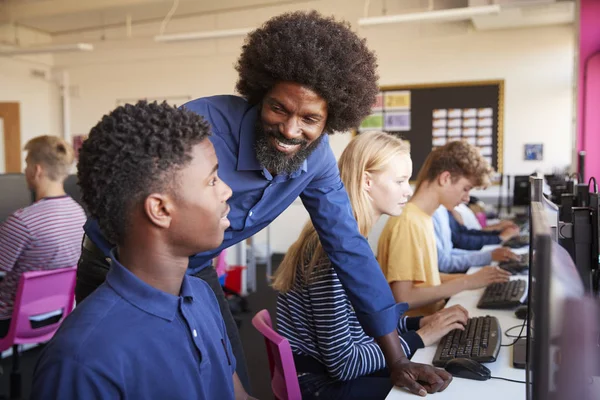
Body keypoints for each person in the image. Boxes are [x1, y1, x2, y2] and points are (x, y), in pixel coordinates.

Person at [73, 11, 451, 395]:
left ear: (330, 120)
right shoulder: (203, 129)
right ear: (259, 94)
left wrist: (396, 360)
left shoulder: (316, 159)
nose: (290, 130)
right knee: (141, 380)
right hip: (117, 264)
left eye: (309, 118)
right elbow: (136, 199)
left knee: (231, 372)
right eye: (278, 109)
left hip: (196, 272)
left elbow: (348, 247)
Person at [32, 102, 253, 400]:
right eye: (212, 180)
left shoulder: (201, 296)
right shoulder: (82, 360)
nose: (226, 190)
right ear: (160, 209)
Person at [274, 132, 461, 399]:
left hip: (334, 373)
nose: (408, 190)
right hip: (321, 385)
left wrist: (421, 323)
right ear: (367, 181)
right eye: (399, 181)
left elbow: (362, 324)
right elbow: (345, 364)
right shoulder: (330, 254)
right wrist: (420, 337)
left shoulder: (350, 242)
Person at [378, 140, 512, 316]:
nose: (466, 198)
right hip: (417, 330)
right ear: (445, 178)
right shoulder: (408, 222)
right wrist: (467, 282)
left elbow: (427, 281)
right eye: (465, 189)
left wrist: (478, 279)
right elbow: (404, 297)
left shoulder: (424, 217)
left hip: (433, 317)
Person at [0, 135, 86, 338]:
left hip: (10, 319)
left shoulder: (22, 222)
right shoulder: (78, 213)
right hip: (59, 313)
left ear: (37, 170)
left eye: (26, 164)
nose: (25, 171)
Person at [433, 205, 519, 273]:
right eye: (465, 189)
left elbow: (463, 234)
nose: (467, 198)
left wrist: (496, 235)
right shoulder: (433, 214)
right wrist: (498, 239)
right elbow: (459, 242)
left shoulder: (442, 210)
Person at [448, 205, 519, 250]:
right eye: (465, 189)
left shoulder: (455, 208)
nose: (467, 199)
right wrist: (500, 237)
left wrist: (499, 233)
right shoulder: (448, 211)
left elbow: (468, 232)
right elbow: (461, 241)